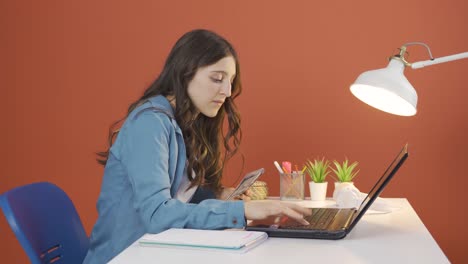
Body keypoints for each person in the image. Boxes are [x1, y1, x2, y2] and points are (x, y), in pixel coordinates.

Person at [83, 29, 310, 263]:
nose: (227, 92)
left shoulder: (183, 123)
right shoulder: (149, 123)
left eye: (230, 81)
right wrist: (242, 212)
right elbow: (158, 214)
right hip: (124, 257)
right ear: (185, 73)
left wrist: (221, 194)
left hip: (159, 252)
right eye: (217, 78)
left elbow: (180, 197)